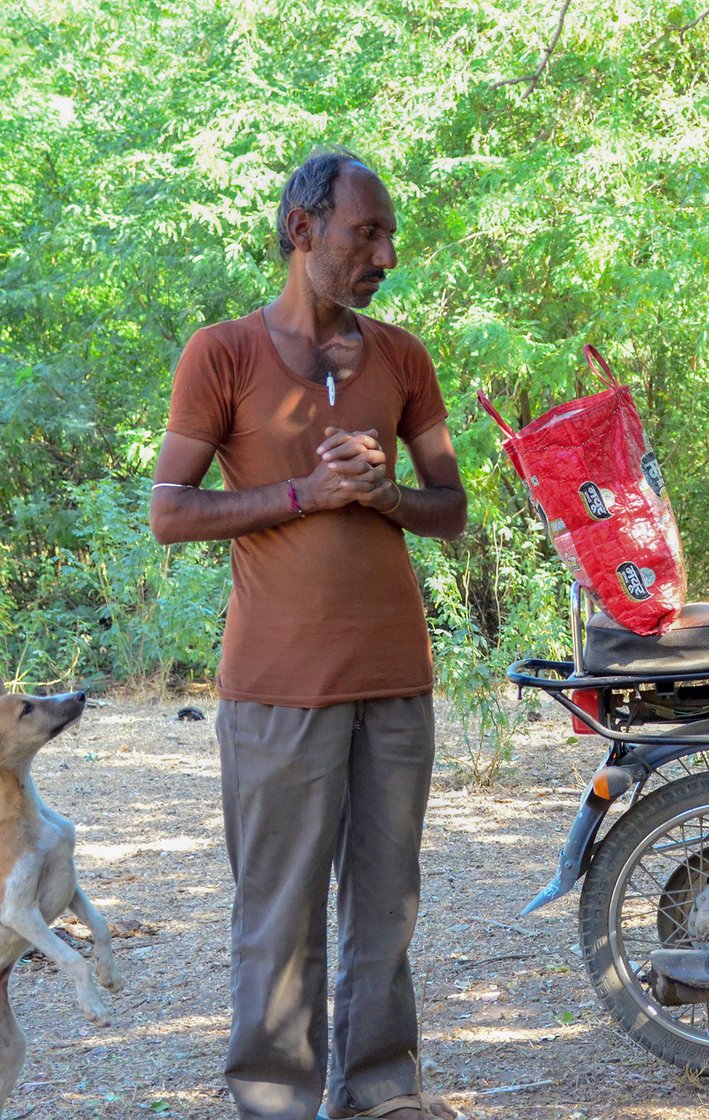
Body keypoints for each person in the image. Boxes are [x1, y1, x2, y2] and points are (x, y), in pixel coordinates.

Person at [149, 147, 467, 1120]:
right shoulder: (224, 353)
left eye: (389, 236)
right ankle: (273, 1102)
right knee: (277, 917)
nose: (385, 254)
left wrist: (387, 494)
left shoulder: (403, 355)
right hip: (277, 687)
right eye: (365, 232)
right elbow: (169, 509)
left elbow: (449, 507)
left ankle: (378, 1091)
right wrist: (304, 491)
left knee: (386, 906)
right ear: (303, 229)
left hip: (394, 678)